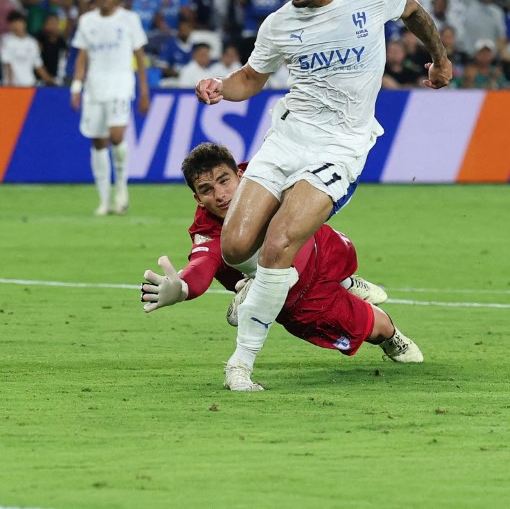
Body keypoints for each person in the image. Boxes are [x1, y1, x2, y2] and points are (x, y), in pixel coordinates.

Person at [193, 0, 451, 391]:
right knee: (234, 246)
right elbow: (251, 78)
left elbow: (414, 11)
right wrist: (219, 87)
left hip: (342, 146)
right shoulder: (279, 24)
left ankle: (241, 364)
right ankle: (312, 269)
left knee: (277, 246)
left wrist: (440, 58)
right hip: (289, 137)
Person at [139, 142, 420, 389]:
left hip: (320, 244)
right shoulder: (209, 230)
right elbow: (202, 263)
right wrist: (184, 288)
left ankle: (344, 281)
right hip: (299, 297)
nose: (220, 194)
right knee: (379, 327)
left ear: (240, 174)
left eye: (224, 181)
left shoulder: (264, 175)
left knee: (331, 243)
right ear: (198, 199)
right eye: (207, 190)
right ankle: (391, 338)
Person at [70, 0, 150, 216]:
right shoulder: (87, 21)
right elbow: (82, 57)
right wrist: (76, 87)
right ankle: (104, 200)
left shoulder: (129, 20)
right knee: (97, 141)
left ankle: (121, 190)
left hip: (120, 86)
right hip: (94, 88)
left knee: (116, 136)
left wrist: (144, 90)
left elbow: (140, 57)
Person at [0, 11, 54, 86]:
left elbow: (38, 64)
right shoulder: (6, 40)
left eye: (17, 22)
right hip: (12, 85)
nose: (15, 25)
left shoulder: (32, 42)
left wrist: (50, 80)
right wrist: (10, 85)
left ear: (24, 23)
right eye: (12, 23)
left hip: (29, 84)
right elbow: (8, 64)